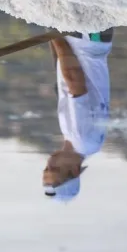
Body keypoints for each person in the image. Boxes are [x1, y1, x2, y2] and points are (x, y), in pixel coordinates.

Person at [43, 28, 113, 202]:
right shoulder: (82, 139)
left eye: (46, 169)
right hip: (86, 39)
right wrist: (55, 35)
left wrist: (53, 37)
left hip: (87, 42)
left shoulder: (85, 142)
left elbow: (62, 74)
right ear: (74, 171)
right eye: (55, 169)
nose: (49, 163)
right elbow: (74, 80)